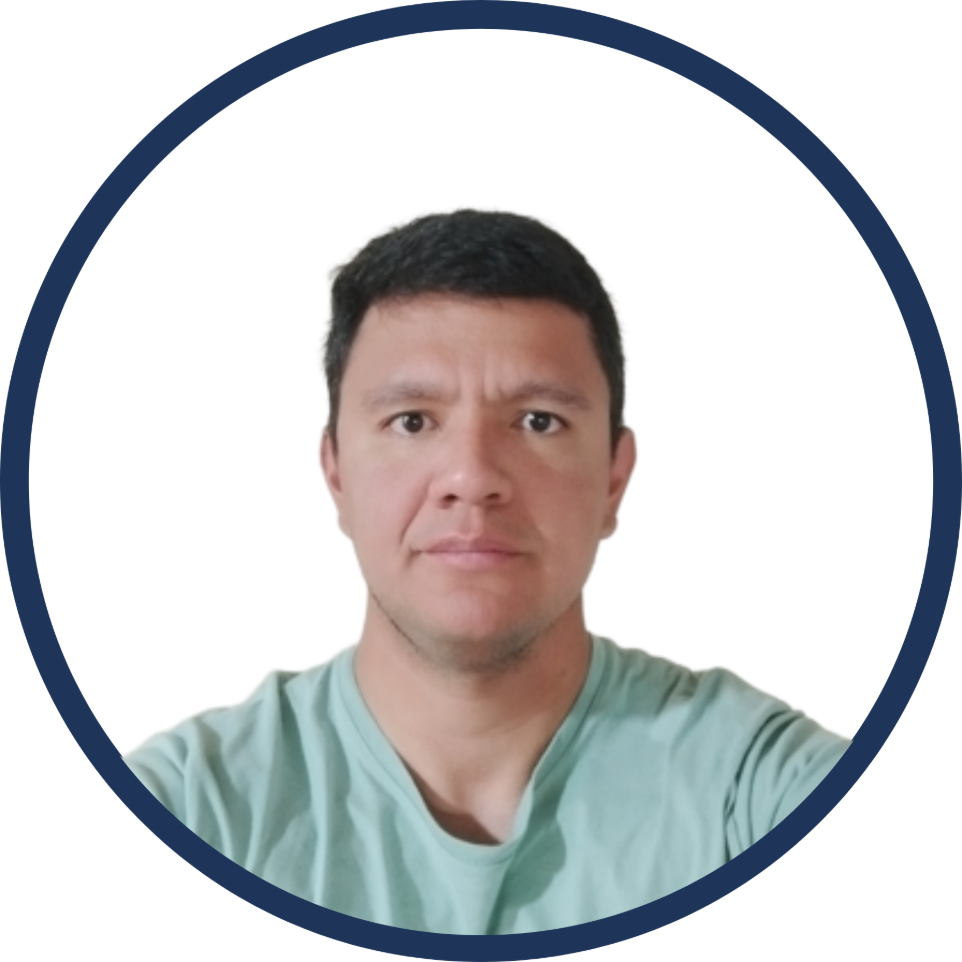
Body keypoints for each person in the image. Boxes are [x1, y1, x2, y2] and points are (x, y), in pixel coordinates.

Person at [126, 210, 849, 935]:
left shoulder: (760, 791)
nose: (471, 478)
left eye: (538, 421)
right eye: (412, 420)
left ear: (613, 479)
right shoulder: (184, 812)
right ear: (336, 474)